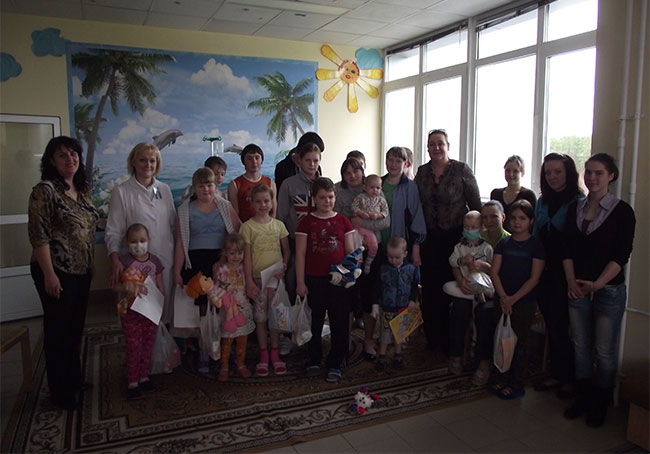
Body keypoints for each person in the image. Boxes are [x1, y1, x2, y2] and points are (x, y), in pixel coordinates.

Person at [562, 154, 635, 427]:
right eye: (589, 172)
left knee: (604, 351)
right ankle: (582, 398)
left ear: (611, 176)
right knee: (580, 346)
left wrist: (598, 283)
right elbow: (566, 249)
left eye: (599, 173)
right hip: (577, 288)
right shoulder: (576, 208)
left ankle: (600, 403)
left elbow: (621, 255)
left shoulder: (623, 211)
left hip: (608, 291)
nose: (592, 178)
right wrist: (571, 281)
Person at [28, 136, 98, 410]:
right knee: (58, 331)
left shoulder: (82, 189)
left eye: (73, 153)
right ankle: (60, 391)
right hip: (55, 270)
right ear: (51, 161)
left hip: (81, 270)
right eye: (62, 155)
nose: (70, 158)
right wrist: (49, 274)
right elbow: (39, 236)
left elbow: (86, 229)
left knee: (75, 328)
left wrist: (90, 261)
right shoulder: (44, 191)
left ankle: (74, 378)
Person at [415, 129, 481, 355]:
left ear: (448, 146)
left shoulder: (462, 170)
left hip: (455, 239)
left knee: (451, 288)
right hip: (429, 239)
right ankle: (433, 338)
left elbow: (475, 205)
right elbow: (416, 206)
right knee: (430, 289)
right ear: (427, 148)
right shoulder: (422, 172)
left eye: (440, 143)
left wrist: (476, 240)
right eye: (431, 144)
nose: (436, 148)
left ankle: (451, 342)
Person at [173, 167, 240, 371]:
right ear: (195, 188)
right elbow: (180, 243)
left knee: (225, 306)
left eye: (209, 185)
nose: (206, 190)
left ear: (215, 186)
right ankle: (204, 349)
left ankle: (225, 347)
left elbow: (238, 233)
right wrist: (177, 271)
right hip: (196, 265)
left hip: (221, 263)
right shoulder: (184, 210)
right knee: (202, 310)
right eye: (201, 186)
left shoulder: (225, 206)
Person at [105, 143, 176, 324]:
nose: (148, 165)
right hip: (135, 263)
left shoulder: (164, 189)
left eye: (152, 161)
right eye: (143, 160)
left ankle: (164, 339)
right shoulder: (122, 192)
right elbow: (114, 230)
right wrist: (114, 258)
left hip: (164, 258)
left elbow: (172, 224)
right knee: (138, 313)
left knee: (163, 308)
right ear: (133, 162)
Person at [533, 153, 584, 399]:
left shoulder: (579, 201)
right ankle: (557, 373)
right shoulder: (542, 201)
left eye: (558, 172)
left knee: (563, 326)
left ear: (568, 173)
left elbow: (575, 242)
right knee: (552, 325)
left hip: (566, 273)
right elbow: (535, 235)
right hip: (543, 270)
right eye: (548, 173)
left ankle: (570, 379)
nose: (552, 177)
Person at [296, 177, 355, 384]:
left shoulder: (343, 221)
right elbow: (300, 254)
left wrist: (351, 271)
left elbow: (349, 251)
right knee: (315, 320)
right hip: (314, 279)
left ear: (335, 197)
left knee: (339, 321)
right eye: (322, 197)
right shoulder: (306, 222)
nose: (327, 201)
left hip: (339, 280)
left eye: (330, 197)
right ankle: (313, 358)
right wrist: (300, 282)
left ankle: (336, 362)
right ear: (314, 198)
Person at [334, 158, 390, 361]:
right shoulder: (338, 190)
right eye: (347, 172)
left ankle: (368, 340)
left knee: (369, 295)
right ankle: (345, 339)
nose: (352, 176)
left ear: (362, 171)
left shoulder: (375, 188)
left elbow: (386, 221)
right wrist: (353, 225)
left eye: (355, 171)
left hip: (372, 251)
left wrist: (362, 223)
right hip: (348, 249)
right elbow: (336, 220)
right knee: (347, 295)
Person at [490, 199, 545, 399]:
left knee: (519, 342)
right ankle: (500, 376)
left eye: (522, 218)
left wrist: (513, 299)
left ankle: (516, 382)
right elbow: (494, 272)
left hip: (524, 302)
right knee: (501, 340)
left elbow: (534, 278)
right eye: (513, 218)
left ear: (531, 221)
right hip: (502, 299)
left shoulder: (535, 245)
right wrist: (504, 297)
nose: (517, 222)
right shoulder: (504, 243)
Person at [240, 184, 290, 377]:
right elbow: (246, 257)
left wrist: (284, 266)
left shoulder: (279, 225)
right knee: (260, 318)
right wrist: (249, 282)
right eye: (258, 201)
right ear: (252, 203)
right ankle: (263, 354)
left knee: (277, 317)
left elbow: (287, 251)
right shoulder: (247, 227)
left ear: (272, 202)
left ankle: (275, 353)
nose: (263, 205)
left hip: (276, 282)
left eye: (266, 201)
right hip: (257, 281)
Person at [444, 211, 495, 386]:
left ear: (481, 228)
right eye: (466, 227)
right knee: (458, 308)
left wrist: (483, 266)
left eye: (473, 227)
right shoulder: (459, 246)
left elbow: (494, 269)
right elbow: (452, 262)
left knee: (484, 314)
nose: (469, 230)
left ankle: (482, 361)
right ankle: (456, 355)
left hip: (482, 288)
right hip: (464, 287)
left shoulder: (487, 248)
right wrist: (462, 264)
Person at [115, 223, 164, 398]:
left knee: (148, 344)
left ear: (149, 240)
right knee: (133, 345)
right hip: (131, 312)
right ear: (127, 243)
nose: (138, 245)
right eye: (133, 241)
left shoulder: (155, 261)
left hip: (150, 312)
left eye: (142, 240)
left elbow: (160, 286)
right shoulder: (124, 261)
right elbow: (114, 286)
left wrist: (162, 307)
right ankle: (132, 381)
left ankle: (144, 376)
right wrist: (126, 287)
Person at [277, 141, 321, 300]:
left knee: (316, 278)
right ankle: (292, 310)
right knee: (292, 277)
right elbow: (281, 215)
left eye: (315, 160)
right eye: (308, 160)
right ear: (300, 161)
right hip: (294, 239)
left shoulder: (324, 184)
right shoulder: (288, 184)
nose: (312, 164)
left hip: (318, 240)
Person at [212, 233, 255, 382]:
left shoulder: (245, 268)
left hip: (243, 309)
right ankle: (224, 365)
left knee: (242, 340)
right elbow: (215, 289)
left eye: (239, 253)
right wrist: (216, 301)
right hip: (227, 312)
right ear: (225, 253)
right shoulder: (220, 269)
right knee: (227, 340)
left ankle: (240, 363)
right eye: (232, 253)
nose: (236, 257)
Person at [371, 236, 418, 372]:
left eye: (397, 257)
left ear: (405, 254)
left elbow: (414, 286)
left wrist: (412, 300)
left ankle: (398, 355)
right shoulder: (384, 269)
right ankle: (382, 355)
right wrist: (375, 304)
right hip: (387, 307)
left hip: (403, 307)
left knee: (400, 334)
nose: (393, 260)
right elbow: (376, 287)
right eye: (390, 257)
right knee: (385, 334)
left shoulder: (410, 269)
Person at [228, 144, 276, 223]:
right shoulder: (235, 185)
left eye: (257, 158)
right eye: (249, 158)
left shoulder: (270, 183)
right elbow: (234, 214)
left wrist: (268, 227)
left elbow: (273, 211)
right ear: (243, 161)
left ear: (261, 160)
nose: (254, 162)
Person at [351, 174, 389, 274]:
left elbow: (385, 212)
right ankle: (356, 266)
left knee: (374, 246)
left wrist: (378, 216)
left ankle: (368, 262)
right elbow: (354, 207)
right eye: (372, 187)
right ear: (365, 187)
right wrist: (360, 213)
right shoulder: (361, 197)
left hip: (372, 230)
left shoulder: (381, 200)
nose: (375, 190)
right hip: (360, 229)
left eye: (378, 188)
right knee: (356, 248)